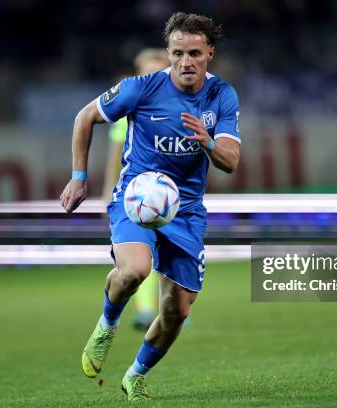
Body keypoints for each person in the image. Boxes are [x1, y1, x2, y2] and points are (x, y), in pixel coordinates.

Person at [60, 12, 241, 401]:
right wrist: (78, 176)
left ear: (209, 53)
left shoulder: (222, 96)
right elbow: (85, 116)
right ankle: (107, 325)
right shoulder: (141, 88)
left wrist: (207, 141)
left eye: (194, 52)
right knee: (135, 269)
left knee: (178, 311)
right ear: (169, 53)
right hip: (136, 199)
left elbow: (230, 161)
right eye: (177, 53)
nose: (185, 62)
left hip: (186, 211)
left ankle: (135, 374)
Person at [102, 48, 169, 332]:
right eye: (148, 73)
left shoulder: (179, 107)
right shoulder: (128, 109)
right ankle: (145, 311)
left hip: (171, 192)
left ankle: (173, 308)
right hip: (137, 194)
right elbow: (115, 151)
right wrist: (108, 187)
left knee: (170, 253)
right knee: (142, 255)